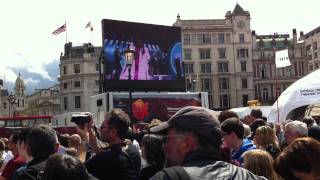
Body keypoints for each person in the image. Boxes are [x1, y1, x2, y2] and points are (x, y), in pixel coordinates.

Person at [149, 106, 266, 180]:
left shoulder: (166, 177)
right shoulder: (249, 176)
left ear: (187, 143)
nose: (164, 146)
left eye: (167, 139)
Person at [84, 109, 141, 180]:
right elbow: (98, 151)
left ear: (113, 132)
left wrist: (80, 139)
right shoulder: (132, 150)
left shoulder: (108, 158)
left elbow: (78, 171)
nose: (100, 130)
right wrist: (89, 128)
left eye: (102, 127)